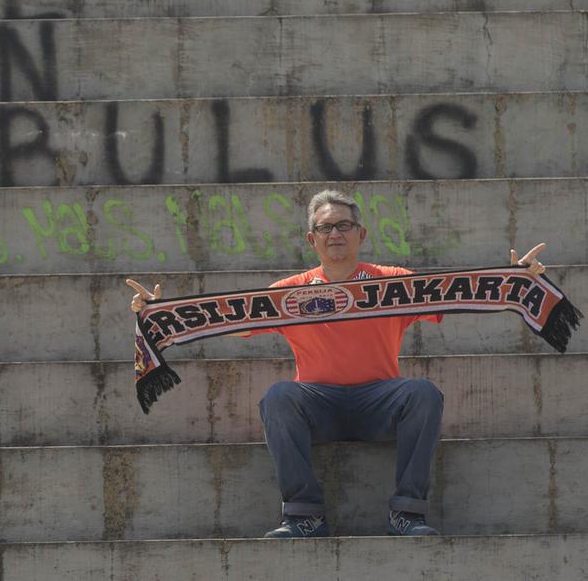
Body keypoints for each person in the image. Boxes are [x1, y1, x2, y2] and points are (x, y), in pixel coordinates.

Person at [126, 189, 547, 538]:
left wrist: (512, 281)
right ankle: (304, 514)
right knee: (278, 396)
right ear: (312, 240)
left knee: (423, 393)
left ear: (360, 233)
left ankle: (408, 513)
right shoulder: (288, 292)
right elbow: (233, 323)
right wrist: (161, 312)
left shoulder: (392, 280)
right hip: (317, 406)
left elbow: (456, 298)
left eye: (343, 226)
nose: (335, 234)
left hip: (381, 402)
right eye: (325, 228)